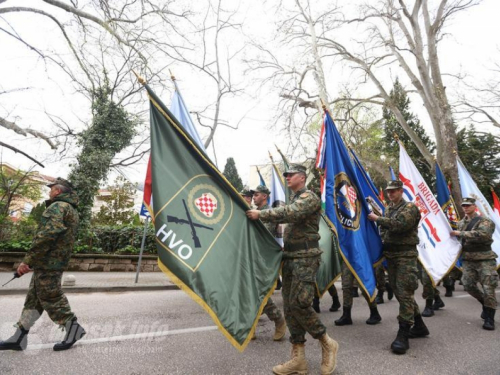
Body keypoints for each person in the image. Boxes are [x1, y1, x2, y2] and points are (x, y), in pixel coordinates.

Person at [246, 164, 338, 375]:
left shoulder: (309, 197)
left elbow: (290, 213)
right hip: (290, 257)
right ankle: (298, 359)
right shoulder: (296, 198)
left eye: (291, 174)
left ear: (303, 177)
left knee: (301, 303)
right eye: (285, 174)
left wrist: (261, 214)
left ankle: (326, 341)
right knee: (289, 307)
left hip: (306, 257)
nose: (286, 177)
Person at [0, 178, 86, 352]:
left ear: (58, 191)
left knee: (51, 296)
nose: (49, 192)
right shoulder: (71, 209)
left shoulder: (58, 207)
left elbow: (47, 235)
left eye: (51, 189)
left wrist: (28, 260)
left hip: (49, 263)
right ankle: (19, 337)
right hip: (51, 261)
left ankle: (74, 329)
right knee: (34, 300)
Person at [368, 180, 429, 355]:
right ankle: (419, 325)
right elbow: (386, 230)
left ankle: (403, 334)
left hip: (405, 256)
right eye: (389, 191)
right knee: (401, 293)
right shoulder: (389, 209)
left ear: (401, 191)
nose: (390, 194)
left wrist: (378, 219)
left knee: (404, 291)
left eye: (394, 191)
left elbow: (401, 225)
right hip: (392, 255)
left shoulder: (409, 208)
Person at [450, 197, 497, 330]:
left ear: (474, 206)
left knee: (488, 288)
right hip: (468, 259)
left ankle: (489, 317)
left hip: (485, 259)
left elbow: (484, 235)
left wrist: (461, 233)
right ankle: (484, 303)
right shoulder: (460, 223)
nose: (465, 207)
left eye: (468, 205)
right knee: (468, 285)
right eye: (464, 205)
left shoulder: (485, 221)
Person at [250, 185, 287, 341]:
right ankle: (250, 326)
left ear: (265, 196)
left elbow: (262, 233)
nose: (254, 197)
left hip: (263, 260)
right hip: (251, 258)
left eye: (257, 195)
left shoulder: (269, 215)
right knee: (249, 293)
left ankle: (278, 319)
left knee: (260, 293)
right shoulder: (254, 213)